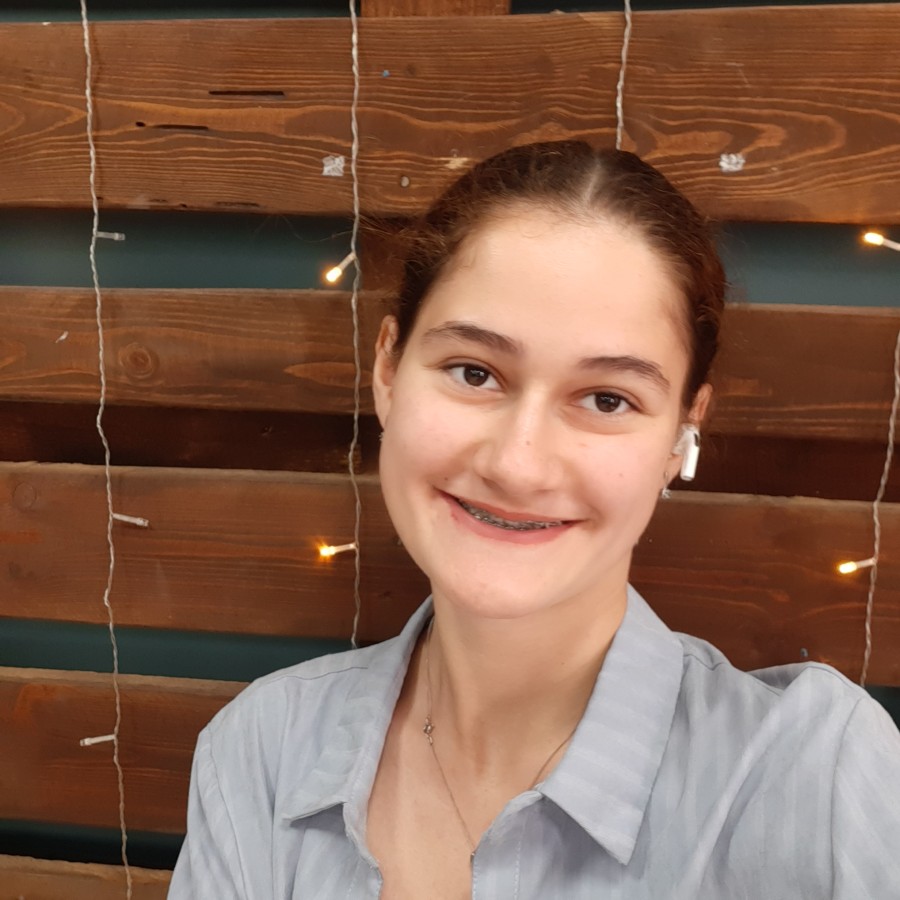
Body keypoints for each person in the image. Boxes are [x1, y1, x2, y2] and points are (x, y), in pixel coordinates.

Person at [168, 141, 900, 899]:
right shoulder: (261, 749)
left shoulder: (816, 774)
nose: (518, 465)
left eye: (608, 399)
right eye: (474, 372)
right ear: (388, 369)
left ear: (683, 433)